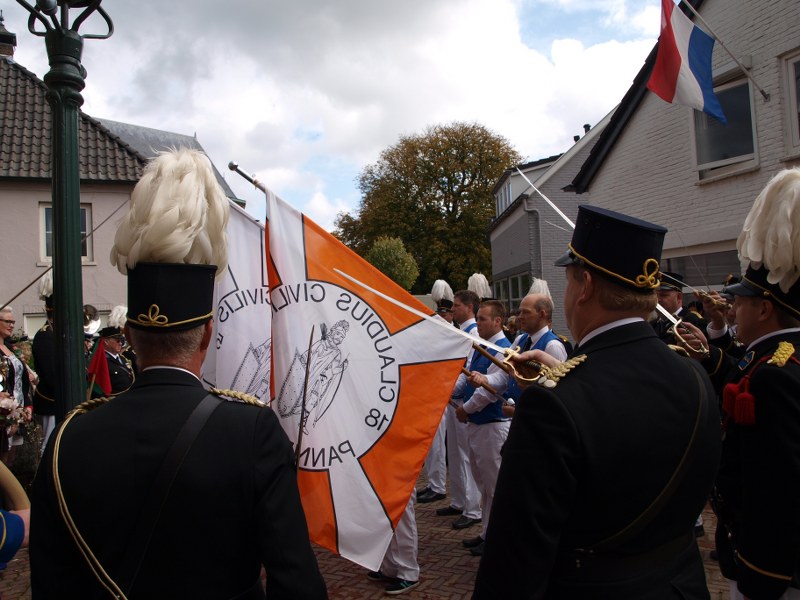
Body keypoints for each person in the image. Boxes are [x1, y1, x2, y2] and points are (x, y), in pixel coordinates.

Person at [30, 148, 327, 599]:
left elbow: (51, 584)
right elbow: (298, 585)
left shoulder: (68, 438)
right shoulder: (252, 431)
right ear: (207, 334)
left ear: (128, 335)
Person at [474, 205, 721, 599]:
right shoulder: (693, 373)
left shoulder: (551, 405)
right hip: (681, 586)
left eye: (569, 282)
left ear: (585, 285)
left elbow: (513, 564)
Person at [679, 169, 800, 600]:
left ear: (765, 309)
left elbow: (779, 487)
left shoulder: (775, 374)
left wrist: (759, 572)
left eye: (740, 302)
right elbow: (740, 374)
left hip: (771, 568)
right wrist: (710, 353)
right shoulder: (775, 355)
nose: (733, 310)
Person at [454, 300, 511, 556]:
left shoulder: (503, 349)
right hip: (479, 425)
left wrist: (466, 409)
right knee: (484, 485)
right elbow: (468, 382)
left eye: (483, 319)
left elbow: (492, 389)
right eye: (477, 318)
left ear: (497, 321)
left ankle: (499, 540)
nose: (478, 323)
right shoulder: (482, 347)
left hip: (492, 426)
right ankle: (487, 533)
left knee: (495, 487)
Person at [434, 290, 482, 529]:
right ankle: (459, 500)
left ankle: (473, 508)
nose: (453, 310)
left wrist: (449, 389)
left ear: (470, 307)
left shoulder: (473, 334)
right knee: (455, 453)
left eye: (457, 306)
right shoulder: (463, 332)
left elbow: (468, 369)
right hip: (455, 397)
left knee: (465, 456)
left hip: (463, 398)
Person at [417, 280, 454, 504]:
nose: (442, 317)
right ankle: (433, 482)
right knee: (431, 445)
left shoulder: (454, 335)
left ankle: (438, 485)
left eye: (446, 313)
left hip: (445, 396)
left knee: (439, 444)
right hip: (431, 395)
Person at [0, 306, 33, 465]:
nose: (11, 325)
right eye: (7, 321)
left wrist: (27, 406)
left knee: (12, 459)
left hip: (18, 412)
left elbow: (23, 381)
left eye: (13, 322)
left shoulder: (11, 348)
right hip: (4, 413)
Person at [32, 272, 57, 451]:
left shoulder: (55, 334)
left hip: (58, 399)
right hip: (51, 400)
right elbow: (51, 375)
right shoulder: (44, 336)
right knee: (49, 445)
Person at [652, 272, 707, 344]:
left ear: (679, 297)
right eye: (655, 295)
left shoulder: (693, 321)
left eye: (663, 295)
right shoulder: (652, 324)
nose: (658, 300)